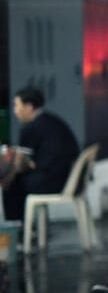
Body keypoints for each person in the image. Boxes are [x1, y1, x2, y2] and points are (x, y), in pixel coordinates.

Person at [1, 87, 79, 222]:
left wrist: (6, 177)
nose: (15, 111)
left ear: (29, 106)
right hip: (67, 178)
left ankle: (19, 230)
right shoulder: (52, 121)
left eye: (17, 105)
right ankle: (30, 229)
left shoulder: (31, 128)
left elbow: (19, 163)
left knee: (12, 185)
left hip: (53, 182)